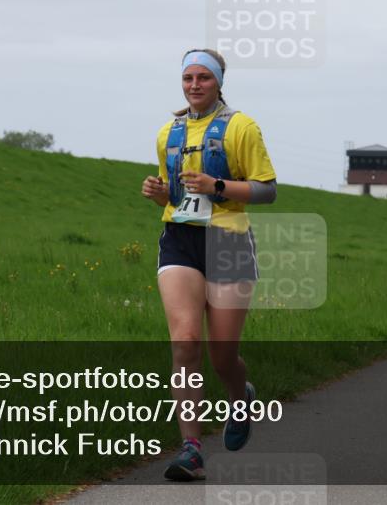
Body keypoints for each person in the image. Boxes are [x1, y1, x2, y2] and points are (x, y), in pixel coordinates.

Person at [141, 49, 277, 481]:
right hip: (180, 239)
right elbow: (178, 197)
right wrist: (161, 194)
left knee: (222, 355)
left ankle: (240, 395)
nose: (194, 85)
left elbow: (267, 191)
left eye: (203, 77)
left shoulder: (242, 127)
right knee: (184, 343)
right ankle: (193, 448)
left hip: (229, 241)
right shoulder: (168, 132)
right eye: (188, 78)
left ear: (219, 82)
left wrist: (218, 184)